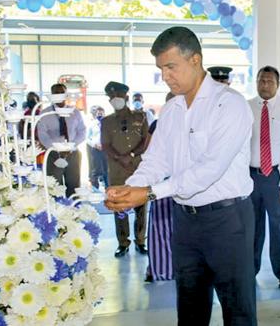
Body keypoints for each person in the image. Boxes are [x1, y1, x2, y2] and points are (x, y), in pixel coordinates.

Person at [104, 26, 257, 325]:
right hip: (186, 222)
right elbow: (155, 161)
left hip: (228, 222)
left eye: (171, 67)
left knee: (238, 311)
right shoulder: (172, 110)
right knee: (190, 308)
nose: (166, 76)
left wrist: (148, 193)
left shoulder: (230, 105)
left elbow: (208, 171)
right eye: (161, 69)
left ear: (195, 60)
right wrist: (129, 188)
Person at [248, 65, 280, 289]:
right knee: (251, 226)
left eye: (269, 81)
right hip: (250, 177)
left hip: (276, 176)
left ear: (278, 84)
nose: (264, 84)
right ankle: (250, 269)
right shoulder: (247, 108)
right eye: (261, 80)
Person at [101, 81, 150, 258]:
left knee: (141, 206)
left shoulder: (141, 117)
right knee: (118, 206)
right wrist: (119, 158)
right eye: (112, 97)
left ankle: (141, 240)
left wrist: (129, 156)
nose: (115, 100)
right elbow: (105, 145)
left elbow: (146, 141)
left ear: (126, 97)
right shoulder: (106, 122)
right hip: (117, 170)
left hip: (138, 168)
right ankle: (123, 242)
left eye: (118, 96)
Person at [144, 92, 177, 283]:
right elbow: (149, 153)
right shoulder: (158, 124)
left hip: (186, 185)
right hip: (163, 183)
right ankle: (162, 270)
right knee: (161, 227)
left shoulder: (194, 123)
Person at [36, 83, 86, 197]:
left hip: (72, 153)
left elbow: (82, 131)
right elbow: (42, 135)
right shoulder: (45, 113)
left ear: (66, 94)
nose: (59, 95)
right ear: (52, 95)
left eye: (61, 92)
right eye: (56, 93)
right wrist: (57, 148)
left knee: (74, 187)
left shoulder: (75, 112)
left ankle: (74, 212)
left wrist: (71, 146)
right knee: (54, 187)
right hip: (53, 154)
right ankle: (56, 212)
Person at [86, 105, 108, 191]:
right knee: (95, 170)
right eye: (98, 113)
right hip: (95, 149)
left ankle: (108, 188)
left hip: (106, 149)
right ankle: (95, 189)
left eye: (102, 113)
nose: (100, 114)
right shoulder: (92, 124)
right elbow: (87, 138)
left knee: (107, 170)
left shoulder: (108, 124)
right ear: (96, 114)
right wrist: (94, 144)